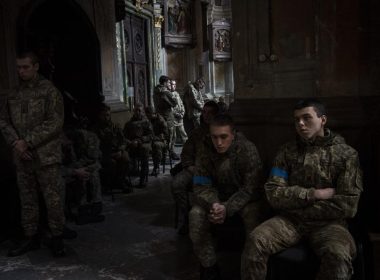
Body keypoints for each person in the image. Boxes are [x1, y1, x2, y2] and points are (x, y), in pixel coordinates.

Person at [245, 99, 363, 280]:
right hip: (290, 221)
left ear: (322, 120)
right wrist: (314, 194)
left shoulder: (346, 155)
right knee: (256, 240)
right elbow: (273, 193)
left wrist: (295, 202)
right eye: (297, 119)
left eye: (306, 118)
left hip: (329, 224)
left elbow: (347, 205)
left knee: (338, 256)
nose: (300, 123)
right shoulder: (286, 152)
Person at [0, 51, 66, 257]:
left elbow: (54, 123)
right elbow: (3, 121)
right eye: (18, 67)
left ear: (36, 66)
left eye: (25, 67)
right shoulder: (13, 93)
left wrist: (27, 143)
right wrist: (16, 144)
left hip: (45, 157)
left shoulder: (49, 91)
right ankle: (31, 237)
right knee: (27, 200)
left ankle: (57, 238)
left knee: (52, 199)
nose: (21, 71)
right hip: (22, 157)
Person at [189, 114, 269, 280]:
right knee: (195, 215)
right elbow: (201, 185)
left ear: (233, 135)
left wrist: (228, 207)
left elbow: (252, 188)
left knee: (253, 215)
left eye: (224, 137)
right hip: (216, 200)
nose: (219, 142)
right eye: (214, 137)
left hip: (244, 200)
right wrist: (215, 205)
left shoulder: (247, 149)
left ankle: (249, 270)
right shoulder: (205, 149)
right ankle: (209, 267)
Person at [171, 101, 219, 235]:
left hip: (215, 171)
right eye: (204, 112)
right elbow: (186, 152)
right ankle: (186, 218)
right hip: (194, 169)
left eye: (210, 113)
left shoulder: (221, 131)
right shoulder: (197, 133)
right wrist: (190, 166)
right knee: (177, 184)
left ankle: (213, 220)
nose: (206, 115)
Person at [92, 103, 132, 193]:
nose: (106, 117)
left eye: (108, 115)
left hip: (117, 151)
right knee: (112, 163)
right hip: (104, 154)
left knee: (126, 159)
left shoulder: (115, 126)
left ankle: (120, 181)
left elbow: (122, 140)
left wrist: (121, 150)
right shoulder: (96, 129)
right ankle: (109, 183)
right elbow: (96, 147)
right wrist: (109, 154)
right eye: (104, 115)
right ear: (99, 116)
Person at [124, 104, 153, 187]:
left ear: (142, 112)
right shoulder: (129, 124)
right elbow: (123, 137)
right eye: (136, 110)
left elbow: (151, 135)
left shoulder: (146, 122)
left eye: (139, 110)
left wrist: (140, 140)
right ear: (133, 111)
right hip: (132, 145)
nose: (138, 112)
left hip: (142, 144)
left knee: (144, 151)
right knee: (123, 154)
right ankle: (125, 180)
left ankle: (143, 179)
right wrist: (130, 142)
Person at [153, 75, 179, 160]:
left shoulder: (155, 91)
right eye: (168, 82)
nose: (169, 84)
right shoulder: (166, 92)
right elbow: (175, 102)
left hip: (159, 117)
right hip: (168, 117)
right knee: (170, 136)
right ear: (164, 83)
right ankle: (168, 155)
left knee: (163, 136)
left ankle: (165, 155)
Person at [145, 106, 168, 177]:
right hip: (151, 139)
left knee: (156, 145)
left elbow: (165, 135)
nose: (148, 117)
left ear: (154, 113)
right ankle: (144, 169)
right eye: (147, 115)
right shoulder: (148, 120)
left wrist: (154, 138)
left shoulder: (161, 121)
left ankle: (156, 167)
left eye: (149, 115)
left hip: (161, 141)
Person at [170, 79, 188, 145]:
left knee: (183, 133)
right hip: (173, 117)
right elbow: (170, 108)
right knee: (173, 135)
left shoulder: (176, 93)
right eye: (172, 84)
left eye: (175, 84)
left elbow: (181, 104)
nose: (174, 86)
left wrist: (182, 112)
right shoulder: (168, 94)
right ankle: (172, 149)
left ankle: (187, 145)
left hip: (180, 117)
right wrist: (176, 114)